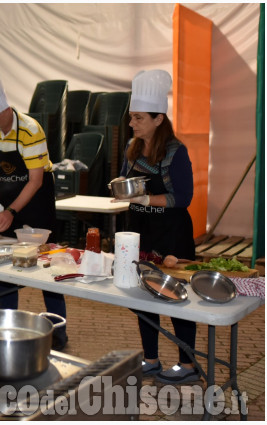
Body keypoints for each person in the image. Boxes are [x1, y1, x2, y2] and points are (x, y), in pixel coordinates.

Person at [0, 74, 68, 350]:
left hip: (37, 205)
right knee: (5, 267)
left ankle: (58, 332)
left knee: (47, 268)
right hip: (10, 200)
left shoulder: (30, 130)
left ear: (4, 111)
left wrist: (10, 211)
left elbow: (35, 181)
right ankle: (7, 324)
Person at [114, 69, 199, 384]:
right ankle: (150, 358)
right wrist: (123, 189)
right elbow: (127, 181)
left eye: (138, 119)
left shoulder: (176, 152)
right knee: (144, 295)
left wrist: (147, 198)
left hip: (172, 232)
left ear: (159, 119)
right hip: (141, 230)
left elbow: (184, 197)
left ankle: (188, 365)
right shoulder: (132, 148)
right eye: (131, 118)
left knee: (176, 298)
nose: (131, 124)